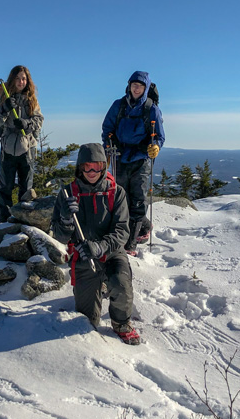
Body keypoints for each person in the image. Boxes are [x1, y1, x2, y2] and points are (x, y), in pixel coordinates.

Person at [51, 143, 140, 345]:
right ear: (80, 168)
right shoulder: (67, 194)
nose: (92, 172)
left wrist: (100, 246)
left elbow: (121, 231)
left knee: (120, 283)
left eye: (98, 167)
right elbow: (60, 237)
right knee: (87, 320)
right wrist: (65, 220)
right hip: (83, 257)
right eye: (87, 167)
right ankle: (94, 289)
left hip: (111, 254)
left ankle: (121, 322)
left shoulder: (116, 193)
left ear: (104, 166)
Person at [101, 71, 165, 255]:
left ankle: (130, 244)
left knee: (137, 199)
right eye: (134, 85)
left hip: (141, 159)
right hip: (120, 156)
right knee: (121, 197)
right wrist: (108, 144)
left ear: (146, 88)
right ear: (129, 86)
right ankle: (142, 227)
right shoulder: (119, 105)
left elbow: (159, 136)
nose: (136, 88)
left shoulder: (151, 109)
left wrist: (155, 146)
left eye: (140, 86)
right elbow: (107, 128)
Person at [0, 65, 44, 222]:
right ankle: (4, 220)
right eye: (18, 78)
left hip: (27, 147)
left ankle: (24, 218)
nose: (21, 81)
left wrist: (27, 124)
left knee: (26, 186)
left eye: (24, 78)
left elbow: (39, 120)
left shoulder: (31, 100)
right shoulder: (3, 100)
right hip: (8, 147)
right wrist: (5, 109)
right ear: (12, 79)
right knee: (5, 187)